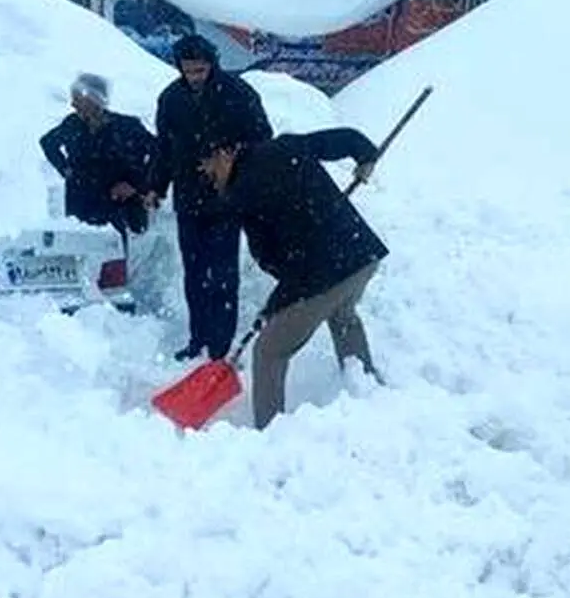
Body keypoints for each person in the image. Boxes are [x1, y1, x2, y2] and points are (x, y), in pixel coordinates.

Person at [197, 127, 389, 430]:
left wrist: (275, 307)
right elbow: (345, 139)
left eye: (206, 164)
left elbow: (284, 266)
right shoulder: (284, 147)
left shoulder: (242, 195)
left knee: (269, 351)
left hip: (325, 270)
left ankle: (272, 434)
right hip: (361, 254)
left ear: (226, 153)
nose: (205, 173)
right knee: (342, 313)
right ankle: (370, 391)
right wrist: (365, 155)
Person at [144, 34, 275, 362]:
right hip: (188, 198)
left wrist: (230, 157)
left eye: (201, 70)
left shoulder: (238, 94)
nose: (195, 77)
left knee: (223, 274)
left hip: (226, 197)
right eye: (189, 71)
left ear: (212, 64)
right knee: (194, 273)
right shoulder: (171, 99)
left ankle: (220, 345)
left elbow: (263, 138)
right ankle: (197, 338)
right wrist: (156, 187)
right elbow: (164, 148)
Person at [39, 73, 156, 254]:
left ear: (95, 99)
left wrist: (136, 186)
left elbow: (160, 154)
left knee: (123, 263)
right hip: (83, 204)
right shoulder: (72, 125)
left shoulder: (127, 127)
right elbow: (48, 143)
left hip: (121, 205)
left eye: (78, 99)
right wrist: (66, 171)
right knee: (86, 256)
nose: (73, 104)